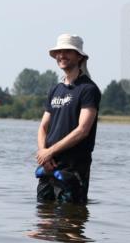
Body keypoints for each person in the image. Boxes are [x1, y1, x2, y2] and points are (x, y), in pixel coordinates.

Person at [36, 34, 101, 204]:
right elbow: (43, 127)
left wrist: (50, 152)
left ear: (79, 56)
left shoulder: (88, 89)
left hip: (73, 167)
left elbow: (83, 130)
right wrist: (44, 153)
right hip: (49, 165)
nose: (61, 55)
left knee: (70, 217)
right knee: (43, 215)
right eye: (59, 52)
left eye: (67, 51)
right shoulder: (55, 89)